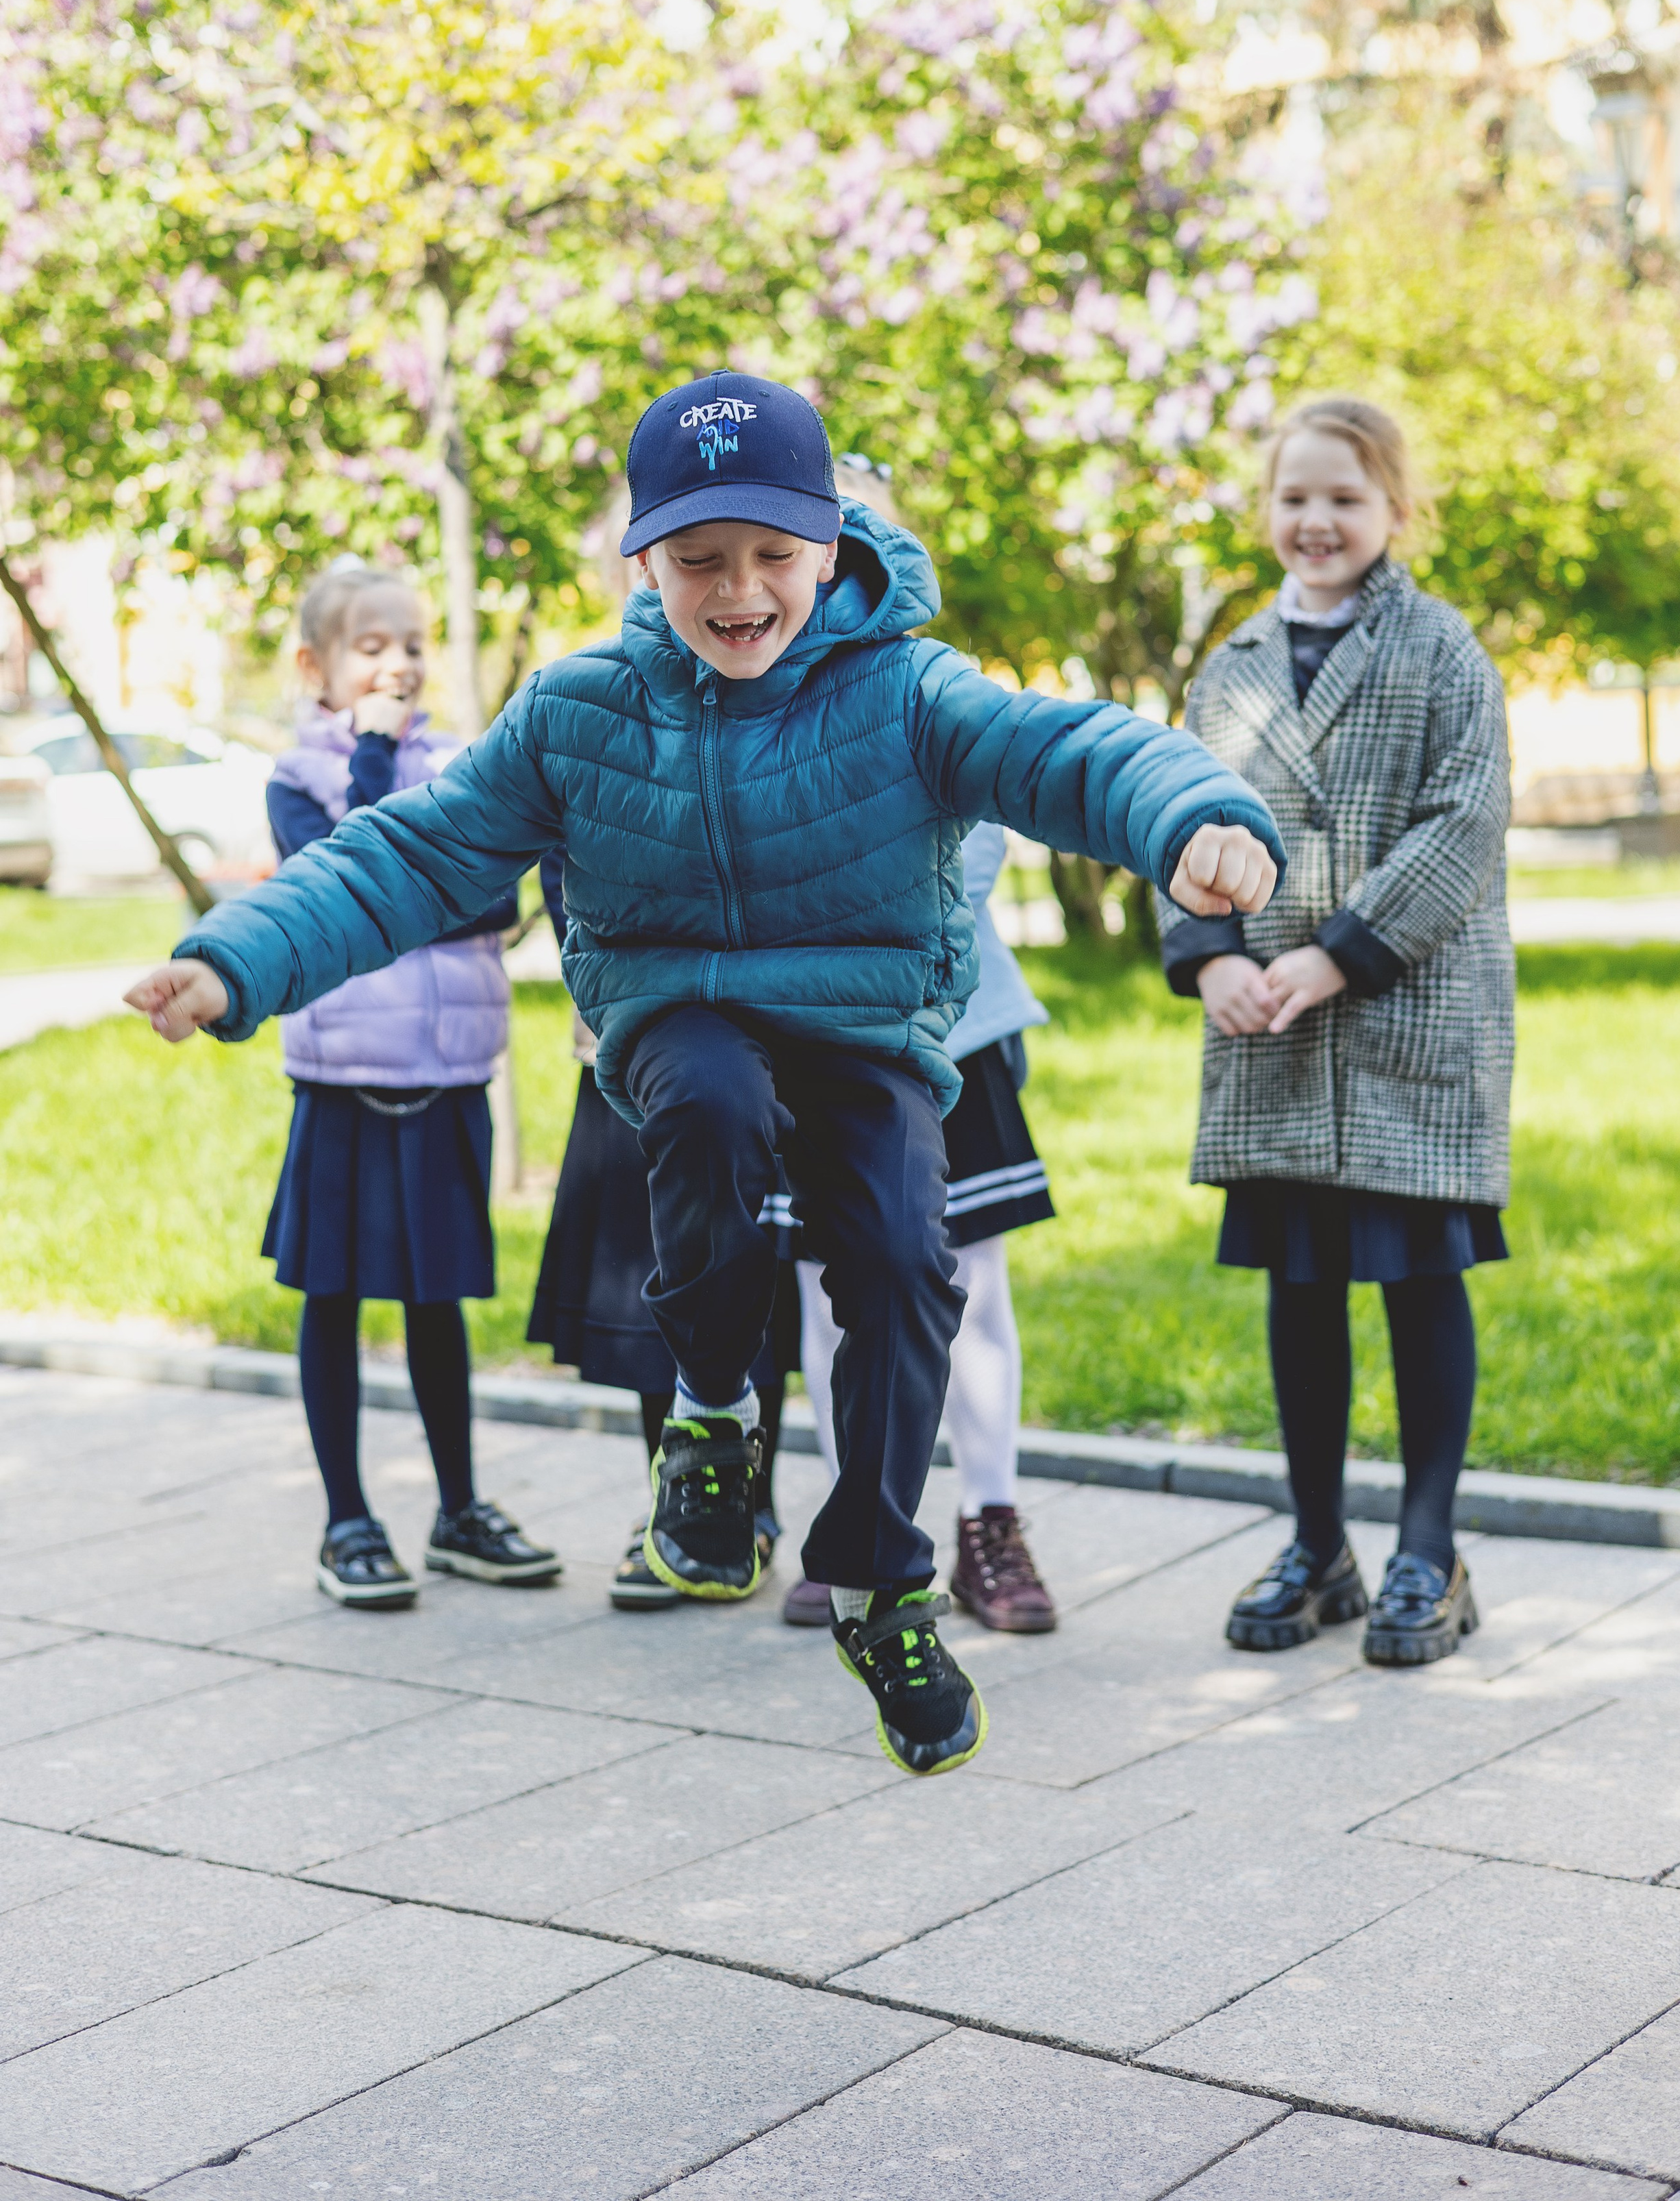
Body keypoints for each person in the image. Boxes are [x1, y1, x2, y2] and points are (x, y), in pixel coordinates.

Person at [128, 368, 1281, 1778]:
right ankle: (713, 1423)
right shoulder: (581, 711)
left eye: (770, 558)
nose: (738, 591)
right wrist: (235, 961)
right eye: (697, 561)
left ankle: (877, 1578)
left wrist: (1193, 818)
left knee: (910, 1264)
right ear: (644, 560)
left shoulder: (909, 690)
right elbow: (412, 853)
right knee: (712, 1101)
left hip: (863, 1032)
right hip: (672, 1016)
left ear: (830, 546)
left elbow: (1073, 753)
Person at [1158, 395, 1512, 1669]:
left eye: (1345, 499)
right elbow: (1176, 819)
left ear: (1395, 513)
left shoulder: (1442, 652)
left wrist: (1332, 954)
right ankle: (1319, 1544)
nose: (1316, 520)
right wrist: (1209, 964)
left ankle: (1431, 1543)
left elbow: (1460, 827)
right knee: (1301, 1290)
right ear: (1268, 510)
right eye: (1295, 497)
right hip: (1269, 1029)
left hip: (1405, 1017)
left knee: (1422, 1282)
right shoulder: (1232, 665)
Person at [250, 558, 559, 1611]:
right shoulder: (298, 781)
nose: (400, 664)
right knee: (329, 1295)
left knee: (439, 1300)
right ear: (316, 666)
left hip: (446, 1074)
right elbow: (359, 884)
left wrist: (424, 896)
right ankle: (347, 1516)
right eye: (372, 647)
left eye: (414, 645)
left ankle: (460, 1509)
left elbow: (484, 898)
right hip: (342, 1077)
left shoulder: (464, 765)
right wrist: (374, 757)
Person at [790, 813, 1059, 1634]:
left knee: (971, 1290)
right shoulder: (743, 684)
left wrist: (860, 941)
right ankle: (856, 1538)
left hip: (944, 1020)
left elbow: (971, 839)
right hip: (798, 1027)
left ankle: (990, 1524)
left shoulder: (927, 680)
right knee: (824, 1298)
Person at [526, 844, 798, 1610]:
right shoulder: (582, 729)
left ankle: (753, 1511)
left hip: (749, 1051)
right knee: (657, 1286)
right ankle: (674, 1509)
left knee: (753, 1276)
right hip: (632, 1041)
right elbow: (562, 870)